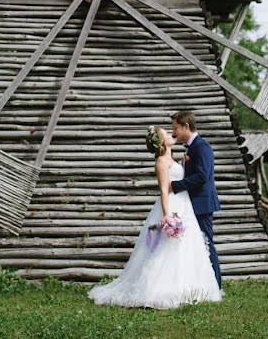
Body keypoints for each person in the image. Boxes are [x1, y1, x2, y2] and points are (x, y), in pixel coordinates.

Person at [87, 126, 221, 309]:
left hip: (184, 205)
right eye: (166, 133)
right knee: (167, 249)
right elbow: (164, 191)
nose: (171, 134)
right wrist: (167, 215)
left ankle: (188, 287)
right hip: (172, 207)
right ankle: (158, 290)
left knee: (186, 247)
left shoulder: (172, 158)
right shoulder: (160, 162)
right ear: (161, 142)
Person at [169, 110, 222, 287]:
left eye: (175, 128)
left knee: (206, 243)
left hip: (202, 203)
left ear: (186, 126)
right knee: (196, 244)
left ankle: (215, 285)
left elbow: (202, 176)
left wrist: (176, 186)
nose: (173, 132)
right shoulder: (191, 148)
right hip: (193, 203)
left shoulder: (202, 146)